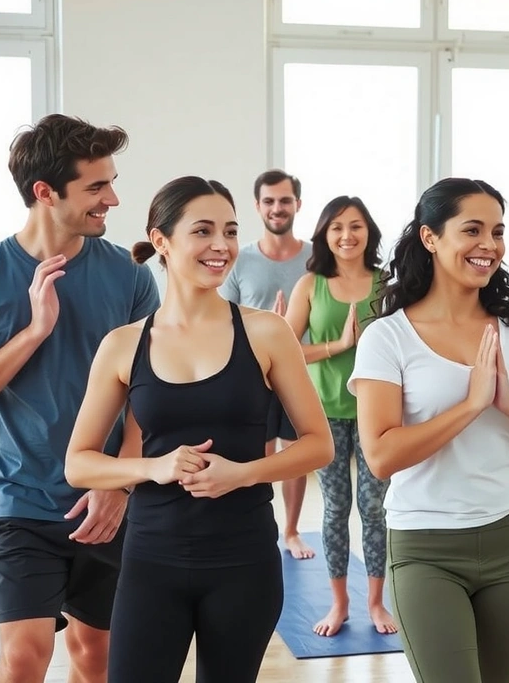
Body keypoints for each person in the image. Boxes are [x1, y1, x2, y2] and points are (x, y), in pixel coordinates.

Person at [64, 176, 334, 683]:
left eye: (230, 231)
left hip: (244, 561)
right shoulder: (123, 344)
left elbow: (320, 445)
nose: (221, 245)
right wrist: (154, 467)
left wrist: (243, 473)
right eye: (203, 231)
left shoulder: (266, 332)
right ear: (161, 241)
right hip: (151, 560)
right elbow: (78, 464)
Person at [0, 114, 158, 683]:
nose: (113, 199)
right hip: (24, 504)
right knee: (22, 660)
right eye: (96, 187)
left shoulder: (131, 277)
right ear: (45, 192)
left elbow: (148, 390)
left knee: (96, 656)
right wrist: (34, 332)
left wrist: (121, 483)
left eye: (111, 183)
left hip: (109, 500)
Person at [349, 177, 509, 683]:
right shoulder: (387, 337)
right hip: (425, 547)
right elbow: (381, 456)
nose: (489, 245)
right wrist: (471, 404)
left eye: (498, 232)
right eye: (473, 230)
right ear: (430, 237)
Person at [284, 195, 395, 637]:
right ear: (325, 235)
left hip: (375, 412)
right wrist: (339, 346)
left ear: (368, 232)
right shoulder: (310, 284)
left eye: (355, 226)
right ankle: (339, 604)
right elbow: (287, 349)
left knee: (373, 508)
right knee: (335, 508)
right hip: (324, 412)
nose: (347, 235)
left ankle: (376, 603)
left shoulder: (387, 284)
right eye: (337, 227)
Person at [219, 168, 315, 559]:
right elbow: (223, 316)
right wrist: (269, 327)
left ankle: (291, 531)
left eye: (285, 200)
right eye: (269, 201)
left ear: (297, 204)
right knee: (254, 453)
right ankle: (253, 526)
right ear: (258, 206)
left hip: (299, 372)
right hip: (250, 374)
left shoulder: (315, 258)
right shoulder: (239, 259)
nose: (278, 208)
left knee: (295, 452)